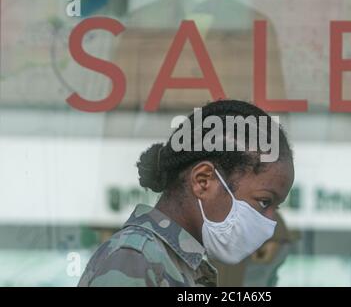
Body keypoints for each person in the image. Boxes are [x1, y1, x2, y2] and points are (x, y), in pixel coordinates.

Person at [78, 100, 294, 287]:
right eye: (264, 201)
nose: (271, 222)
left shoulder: (181, 265)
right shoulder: (134, 260)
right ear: (203, 181)